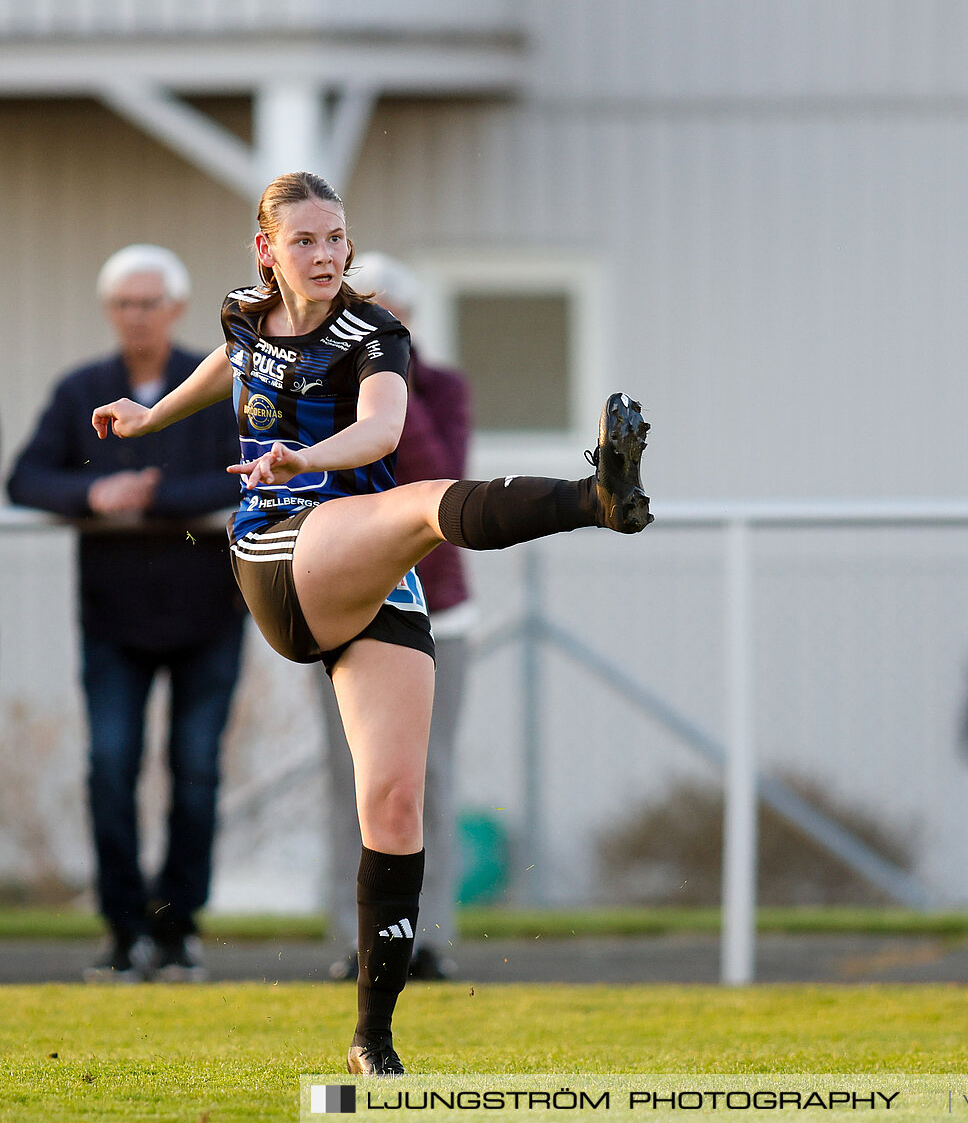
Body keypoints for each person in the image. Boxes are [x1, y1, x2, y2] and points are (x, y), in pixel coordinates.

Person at [90, 172, 652, 1076]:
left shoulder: (374, 332)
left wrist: (304, 452)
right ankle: (594, 498)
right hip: (280, 555)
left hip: (366, 574)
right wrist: (155, 414)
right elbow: (226, 363)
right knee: (424, 508)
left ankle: (373, 1039)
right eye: (306, 241)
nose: (326, 255)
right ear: (266, 251)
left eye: (337, 237)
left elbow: (383, 431)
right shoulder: (244, 313)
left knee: (393, 804)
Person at [7, 245, 245, 984]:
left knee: (196, 771)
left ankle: (179, 930)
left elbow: (246, 469)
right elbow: (25, 477)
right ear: (109, 311)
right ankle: (122, 929)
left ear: (176, 308)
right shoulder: (83, 387)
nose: (134, 316)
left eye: (148, 302)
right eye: (122, 303)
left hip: (209, 611)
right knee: (110, 767)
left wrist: (151, 492)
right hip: (113, 618)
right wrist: (90, 495)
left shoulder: (213, 383)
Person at [315, 253, 472, 983]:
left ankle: (425, 935)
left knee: (425, 777)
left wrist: (391, 390)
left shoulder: (441, 389)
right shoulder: (313, 386)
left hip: (434, 608)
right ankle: (357, 938)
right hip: (347, 607)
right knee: (350, 775)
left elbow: (439, 483)